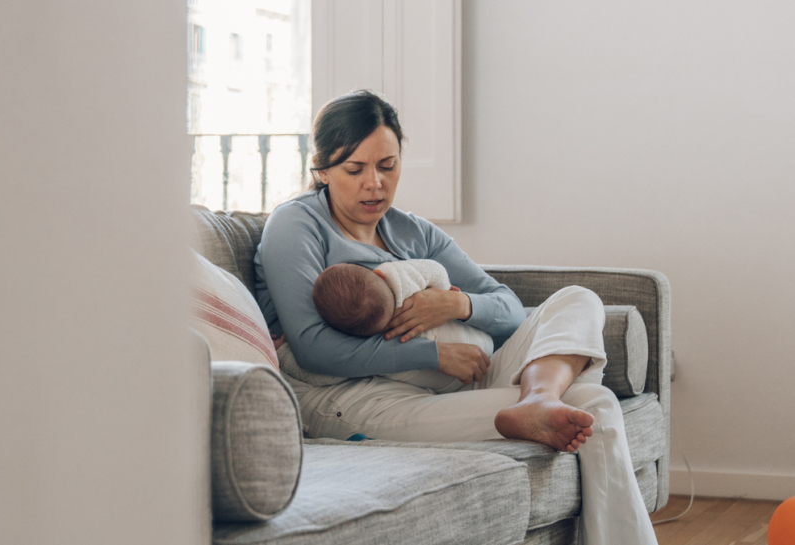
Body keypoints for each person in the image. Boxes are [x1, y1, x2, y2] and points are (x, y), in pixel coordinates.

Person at [253, 89, 657, 545]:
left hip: (465, 372)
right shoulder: (296, 225)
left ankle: (537, 397)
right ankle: (538, 404)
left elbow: (506, 307)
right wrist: (435, 353)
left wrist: (458, 305)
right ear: (322, 169)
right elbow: (311, 347)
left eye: (387, 166)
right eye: (355, 169)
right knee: (593, 405)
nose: (375, 184)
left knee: (579, 299)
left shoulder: (411, 230)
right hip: (360, 396)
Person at [312, 259, 494, 393]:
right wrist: (445, 293)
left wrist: (286, 356)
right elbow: (436, 270)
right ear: (378, 273)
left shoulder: (367, 347)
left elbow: (322, 373)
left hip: (450, 383)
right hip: (479, 344)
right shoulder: (396, 275)